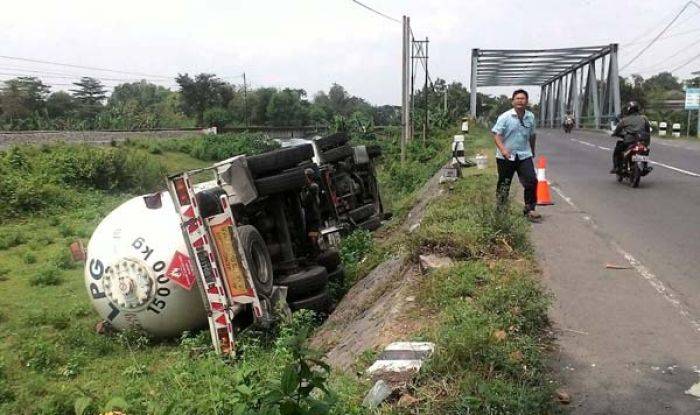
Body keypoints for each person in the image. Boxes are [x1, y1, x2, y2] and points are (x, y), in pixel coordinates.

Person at [491, 89, 540, 221]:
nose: (520, 101)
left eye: (523, 98)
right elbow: (496, 135)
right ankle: (501, 210)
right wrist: (503, 150)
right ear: (513, 101)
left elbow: (532, 135)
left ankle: (529, 208)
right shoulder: (505, 117)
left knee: (531, 180)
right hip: (505, 156)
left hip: (524, 154)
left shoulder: (530, 116)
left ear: (527, 101)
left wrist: (533, 150)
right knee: (504, 183)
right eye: (517, 98)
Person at [610, 101, 651, 174]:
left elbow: (617, 130)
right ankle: (645, 166)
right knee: (645, 151)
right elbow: (648, 130)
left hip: (629, 142)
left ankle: (616, 167)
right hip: (642, 141)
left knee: (617, 150)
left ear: (628, 109)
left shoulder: (625, 120)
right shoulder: (644, 118)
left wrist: (614, 134)